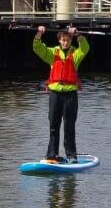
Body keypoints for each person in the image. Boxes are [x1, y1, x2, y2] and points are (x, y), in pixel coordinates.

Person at [33, 25, 89, 163]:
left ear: (70, 40)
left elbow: (85, 48)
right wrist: (39, 33)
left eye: (68, 40)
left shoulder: (75, 54)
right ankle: (52, 154)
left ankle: (71, 155)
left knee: (69, 126)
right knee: (53, 125)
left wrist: (78, 34)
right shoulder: (52, 54)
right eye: (63, 40)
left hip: (70, 95)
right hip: (55, 94)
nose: (65, 42)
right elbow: (37, 48)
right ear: (59, 40)